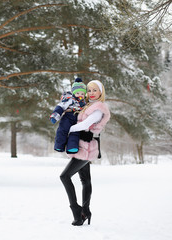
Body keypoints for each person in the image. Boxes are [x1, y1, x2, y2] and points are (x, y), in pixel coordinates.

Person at [60, 80, 110, 226]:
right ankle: (85, 211)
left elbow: (86, 124)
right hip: (83, 146)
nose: (91, 93)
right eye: (89, 90)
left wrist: (67, 130)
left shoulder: (98, 108)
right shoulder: (88, 105)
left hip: (86, 149)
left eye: (95, 90)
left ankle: (77, 210)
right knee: (85, 180)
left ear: (101, 92)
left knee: (64, 176)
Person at [50, 78, 86, 154]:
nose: (80, 95)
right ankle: (59, 145)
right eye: (78, 93)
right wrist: (55, 116)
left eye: (82, 94)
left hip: (78, 118)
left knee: (75, 132)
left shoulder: (84, 102)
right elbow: (61, 107)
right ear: (74, 93)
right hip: (68, 117)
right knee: (62, 130)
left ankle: (72, 147)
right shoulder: (69, 99)